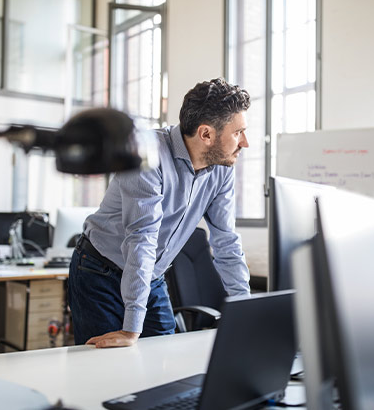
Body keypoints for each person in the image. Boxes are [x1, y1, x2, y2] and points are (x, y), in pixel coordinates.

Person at [68, 77, 252, 348]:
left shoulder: (222, 169)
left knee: (164, 361)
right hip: (99, 271)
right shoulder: (147, 155)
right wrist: (131, 329)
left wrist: (245, 312)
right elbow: (142, 238)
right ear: (206, 134)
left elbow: (226, 242)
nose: (245, 143)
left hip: (150, 275)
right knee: (107, 368)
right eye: (238, 132)